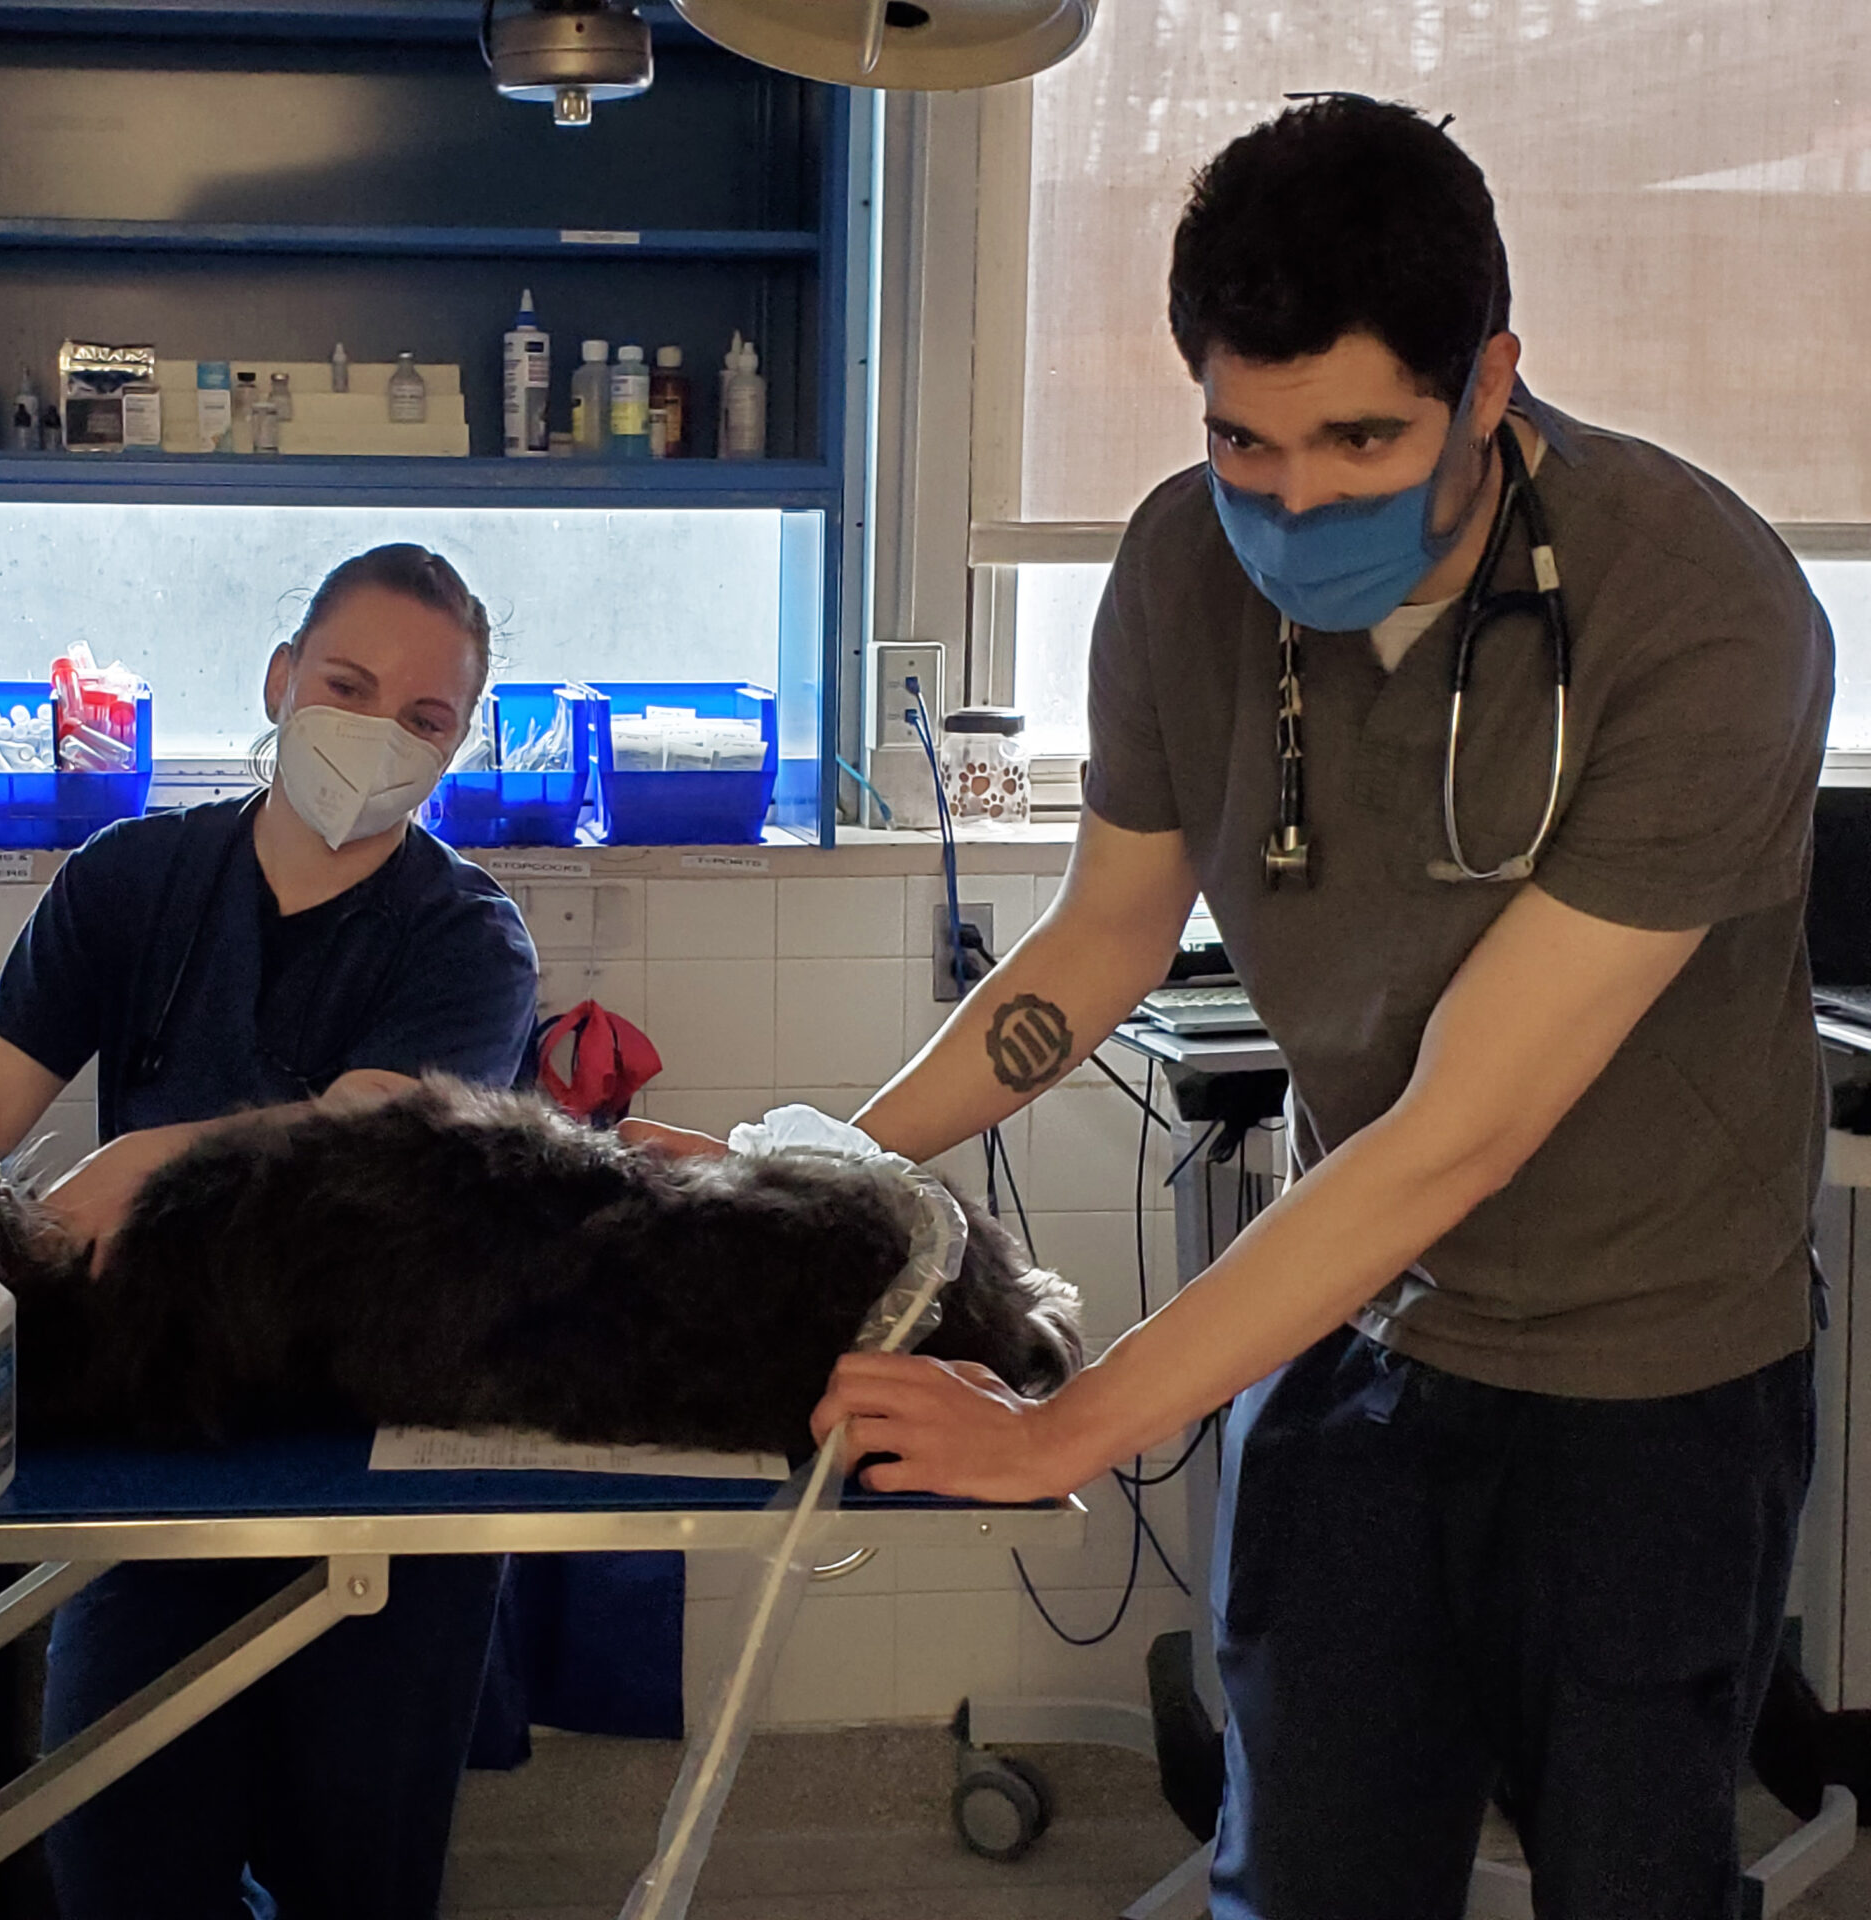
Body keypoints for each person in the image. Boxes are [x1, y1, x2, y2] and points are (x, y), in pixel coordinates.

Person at [645, 99, 1833, 1917]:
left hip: (1654, 1377)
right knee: (1304, 1876)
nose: (1296, 505)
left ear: (1493, 379)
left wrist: (1065, 1427)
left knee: (1635, 1880)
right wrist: (802, 1166)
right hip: (1365, 1346)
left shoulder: (1700, 608)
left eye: (1362, 441)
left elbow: (1466, 1128)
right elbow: (1101, 940)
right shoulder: (1185, 571)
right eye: (1244, 445)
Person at [0, 543, 540, 1920]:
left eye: (424, 718)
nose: (376, 734)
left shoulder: (470, 939)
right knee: (117, 1840)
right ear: (279, 679)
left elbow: (360, 1135)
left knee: (354, 1867)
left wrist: (154, 1157)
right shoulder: (135, 880)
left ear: (458, 746)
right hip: (164, 1434)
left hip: (385, 1442)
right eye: (347, 685)